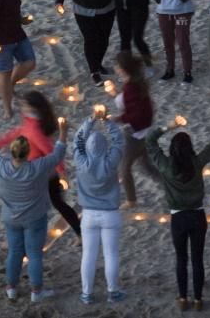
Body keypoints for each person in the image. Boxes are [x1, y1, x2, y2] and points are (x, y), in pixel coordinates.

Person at [146, 106, 210, 311]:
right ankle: (199, 299)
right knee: (197, 259)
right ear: (190, 148)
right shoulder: (197, 162)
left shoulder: (165, 166)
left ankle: (183, 298)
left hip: (178, 218)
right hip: (198, 216)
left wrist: (170, 125)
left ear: (172, 150)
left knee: (181, 259)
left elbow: (149, 141)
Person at [0, 114, 69, 303]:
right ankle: (36, 291)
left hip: (11, 218)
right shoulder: (37, 167)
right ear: (28, 151)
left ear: (12, 152)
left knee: (14, 252)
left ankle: (11, 288)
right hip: (35, 217)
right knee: (34, 254)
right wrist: (63, 132)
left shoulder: (0, 166)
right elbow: (58, 154)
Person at [0, 91, 81, 239]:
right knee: (55, 204)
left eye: (24, 104)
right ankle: (79, 232)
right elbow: (18, 132)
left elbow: (51, 152)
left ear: (33, 108)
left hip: (43, 174)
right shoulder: (30, 121)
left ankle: (79, 233)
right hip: (35, 172)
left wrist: (62, 173)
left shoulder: (35, 130)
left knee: (55, 204)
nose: (21, 106)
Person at [73, 106, 126, 304]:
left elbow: (77, 139)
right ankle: (113, 291)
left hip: (89, 215)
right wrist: (107, 121)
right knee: (111, 254)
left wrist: (91, 119)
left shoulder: (81, 161)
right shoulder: (110, 161)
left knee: (88, 255)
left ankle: (87, 294)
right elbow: (119, 140)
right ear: (105, 147)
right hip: (110, 214)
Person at [110, 51, 157, 209]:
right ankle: (173, 185)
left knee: (124, 168)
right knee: (147, 165)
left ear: (123, 69)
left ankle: (131, 200)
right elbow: (134, 105)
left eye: (117, 65)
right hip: (144, 130)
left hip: (136, 133)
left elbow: (135, 112)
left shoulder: (131, 86)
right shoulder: (134, 83)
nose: (115, 67)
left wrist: (119, 118)